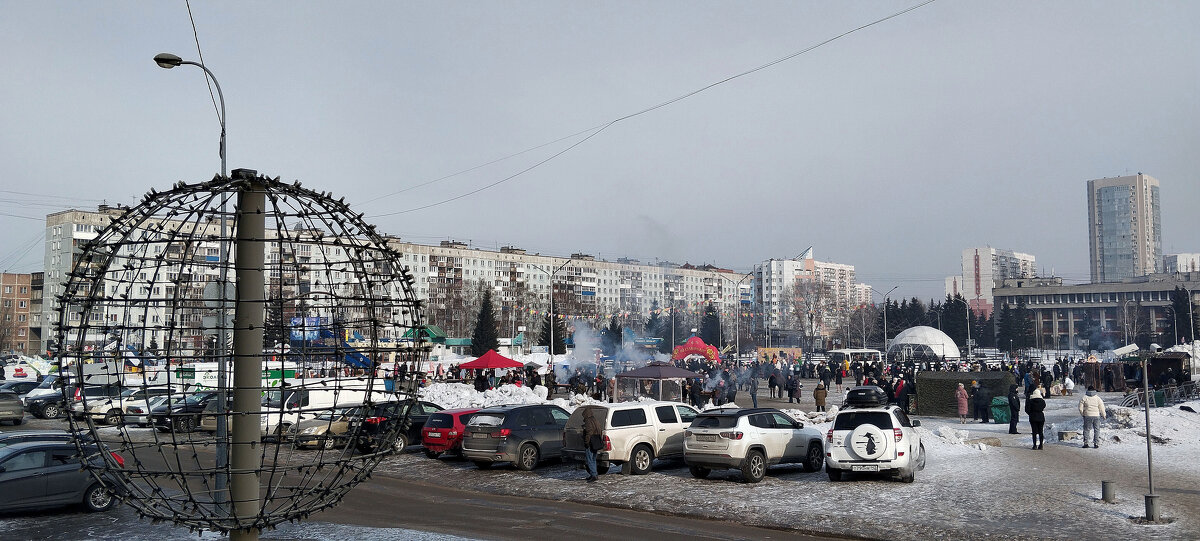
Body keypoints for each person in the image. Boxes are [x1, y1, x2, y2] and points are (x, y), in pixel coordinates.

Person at [582, 407, 602, 483]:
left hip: (590, 443)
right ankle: (594, 474)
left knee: (590, 459)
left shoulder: (588, 421)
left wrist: (586, 442)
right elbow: (599, 430)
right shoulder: (595, 419)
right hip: (596, 442)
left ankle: (593, 475)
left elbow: (589, 432)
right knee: (593, 459)